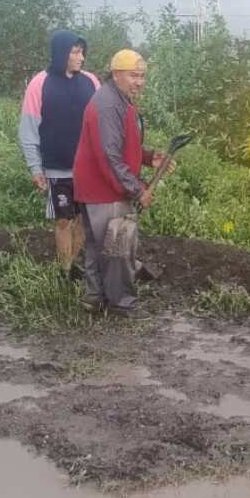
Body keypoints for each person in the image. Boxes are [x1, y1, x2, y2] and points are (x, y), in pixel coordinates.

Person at [72, 49, 167, 314]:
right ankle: (122, 305)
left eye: (142, 76)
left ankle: (94, 297)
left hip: (97, 188)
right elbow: (110, 156)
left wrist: (148, 158)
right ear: (116, 74)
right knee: (118, 248)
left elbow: (120, 145)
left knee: (97, 247)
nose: (140, 82)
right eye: (133, 76)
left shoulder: (118, 99)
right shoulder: (108, 104)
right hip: (105, 191)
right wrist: (137, 190)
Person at [18, 31, 102, 274]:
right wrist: (35, 167)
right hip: (57, 167)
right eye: (75, 52)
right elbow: (29, 128)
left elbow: (100, 122)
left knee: (84, 220)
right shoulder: (40, 83)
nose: (81, 57)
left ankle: (74, 264)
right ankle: (64, 270)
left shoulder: (91, 82)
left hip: (88, 168)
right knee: (63, 220)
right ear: (61, 53)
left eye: (82, 52)